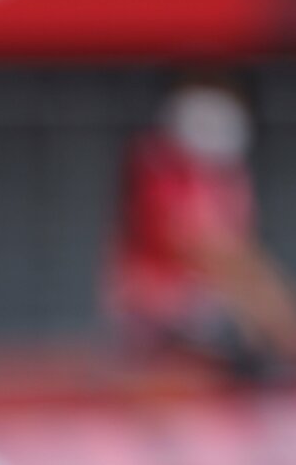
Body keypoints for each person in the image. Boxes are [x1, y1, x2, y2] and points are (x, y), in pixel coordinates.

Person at [103, 79, 296, 381]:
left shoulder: (227, 178)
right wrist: (275, 316)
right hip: (158, 319)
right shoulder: (161, 170)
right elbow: (205, 248)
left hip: (207, 311)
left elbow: (234, 253)